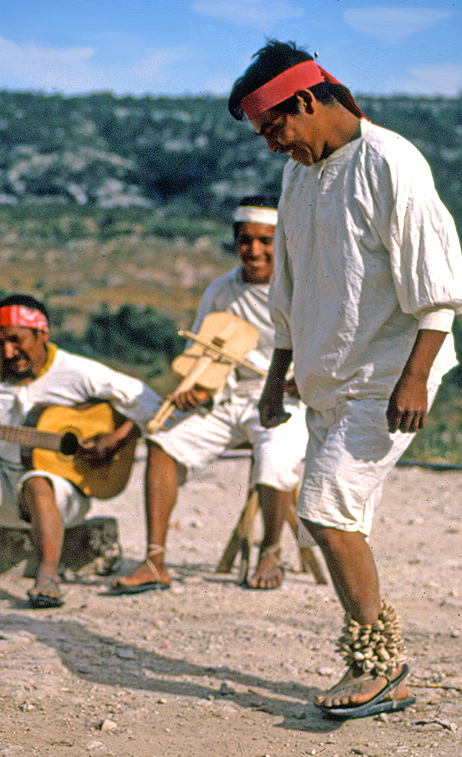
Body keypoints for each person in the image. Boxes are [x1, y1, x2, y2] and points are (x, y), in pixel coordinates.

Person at [228, 41, 462, 719]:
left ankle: (380, 665)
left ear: (306, 100)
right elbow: (291, 291)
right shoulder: (299, 178)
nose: (275, 145)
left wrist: (415, 377)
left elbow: (440, 288)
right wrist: (278, 378)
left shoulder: (389, 160)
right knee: (341, 517)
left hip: (389, 378)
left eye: (276, 127)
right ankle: (376, 659)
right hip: (329, 381)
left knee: (324, 507)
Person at [111, 196, 308, 594]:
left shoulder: (303, 288)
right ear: (235, 242)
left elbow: (328, 348)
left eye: (266, 241)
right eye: (245, 240)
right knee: (163, 443)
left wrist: (306, 379)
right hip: (227, 398)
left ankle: (271, 551)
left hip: (285, 400)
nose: (254, 250)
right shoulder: (220, 291)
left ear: (282, 242)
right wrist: (194, 390)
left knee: (273, 456)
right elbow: (200, 356)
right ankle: (155, 560)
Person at [0, 294, 162, 608]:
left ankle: (48, 577)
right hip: (1, 492)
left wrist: (118, 439)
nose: (7, 352)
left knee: (37, 480)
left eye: (16, 340)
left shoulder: (76, 371)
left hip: (65, 495)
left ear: (42, 334)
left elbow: (151, 403)